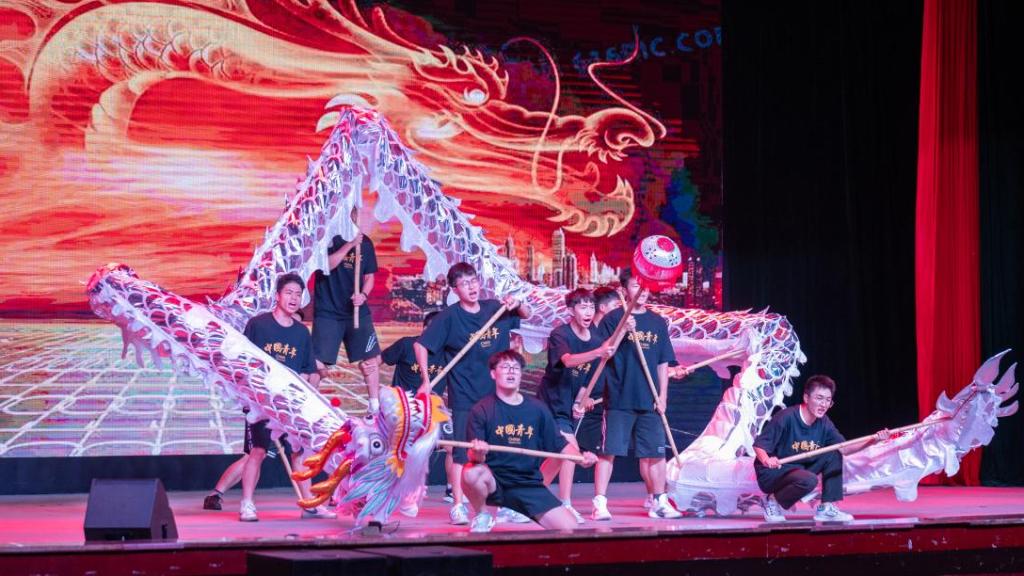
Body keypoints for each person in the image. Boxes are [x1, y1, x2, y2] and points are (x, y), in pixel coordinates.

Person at [414, 262, 531, 525]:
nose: (471, 287)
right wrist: (427, 381)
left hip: (499, 395)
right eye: (464, 283)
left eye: (474, 280)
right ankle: (458, 506)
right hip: (465, 395)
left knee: (502, 450)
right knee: (461, 452)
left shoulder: (494, 308)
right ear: (455, 289)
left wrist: (517, 303)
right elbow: (420, 346)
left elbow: (525, 314)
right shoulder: (449, 317)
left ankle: (505, 505)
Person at [231, 273, 335, 522]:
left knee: (298, 454)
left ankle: (310, 505)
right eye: (289, 292)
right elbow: (242, 360)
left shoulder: (301, 333)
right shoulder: (258, 325)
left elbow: (308, 370)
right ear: (277, 296)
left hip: (289, 405)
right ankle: (247, 504)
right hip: (259, 402)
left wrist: (300, 395)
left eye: (298, 294)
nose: (293, 298)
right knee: (257, 451)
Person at [463, 349, 598, 533]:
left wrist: (581, 458)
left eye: (515, 368)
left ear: (521, 374)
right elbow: (474, 457)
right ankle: (482, 514)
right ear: (493, 374)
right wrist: (478, 452)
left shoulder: (537, 409)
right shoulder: (481, 410)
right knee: (471, 472)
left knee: (570, 529)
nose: (511, 371)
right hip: (496, 482)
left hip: (528, 485)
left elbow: (560, 445)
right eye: (505, 367)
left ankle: (522, 510)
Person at [589, 268, 681, 521]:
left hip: (650, 399)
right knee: (609, 451)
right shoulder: (613, 318)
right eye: (636, 286)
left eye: (646, 287)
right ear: (624, 290)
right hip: (619, 397)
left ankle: (659, 501)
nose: (642, 291)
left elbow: (663, 362)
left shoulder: (657, 322)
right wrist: (622, 330)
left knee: (656, 452)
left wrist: (663, 397)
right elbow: (604, 352)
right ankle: (600, 503)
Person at [753, 375, 889, 523]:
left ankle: (826, 507)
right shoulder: (786, 417)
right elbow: (759, 446)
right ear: (806, 398)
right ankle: (771, 500)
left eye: (828, 400)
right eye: (819, 398)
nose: (824, 404)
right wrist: (767, 460)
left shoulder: (824, 422)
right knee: (809, 480)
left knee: (834, 452)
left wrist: (873, 441)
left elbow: (844, 449)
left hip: (799, 469)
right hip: (774, 472)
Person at [539, 288, 615, 522]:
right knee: (570, 450)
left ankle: (530, 498)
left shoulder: (596, 338)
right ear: (571, 310)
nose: (588, 312)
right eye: (582, 307)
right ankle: (565, 503)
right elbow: (569, 361)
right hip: (551, 403)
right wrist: (598, 352)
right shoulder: (560, 335)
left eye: (591, 307)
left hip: (569, 405)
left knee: (559, 456)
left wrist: (582, 399)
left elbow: (588, 377)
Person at [311, 215, 382, 414]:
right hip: (328, 312)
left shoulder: (365, 242)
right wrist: (350, 245)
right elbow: (325, 266)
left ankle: (375, 408)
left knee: (370, 360)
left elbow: (369, 277)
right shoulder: (327, 239)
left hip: (356, 311)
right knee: (317, 364)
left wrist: (363, 295)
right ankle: (308, 407)